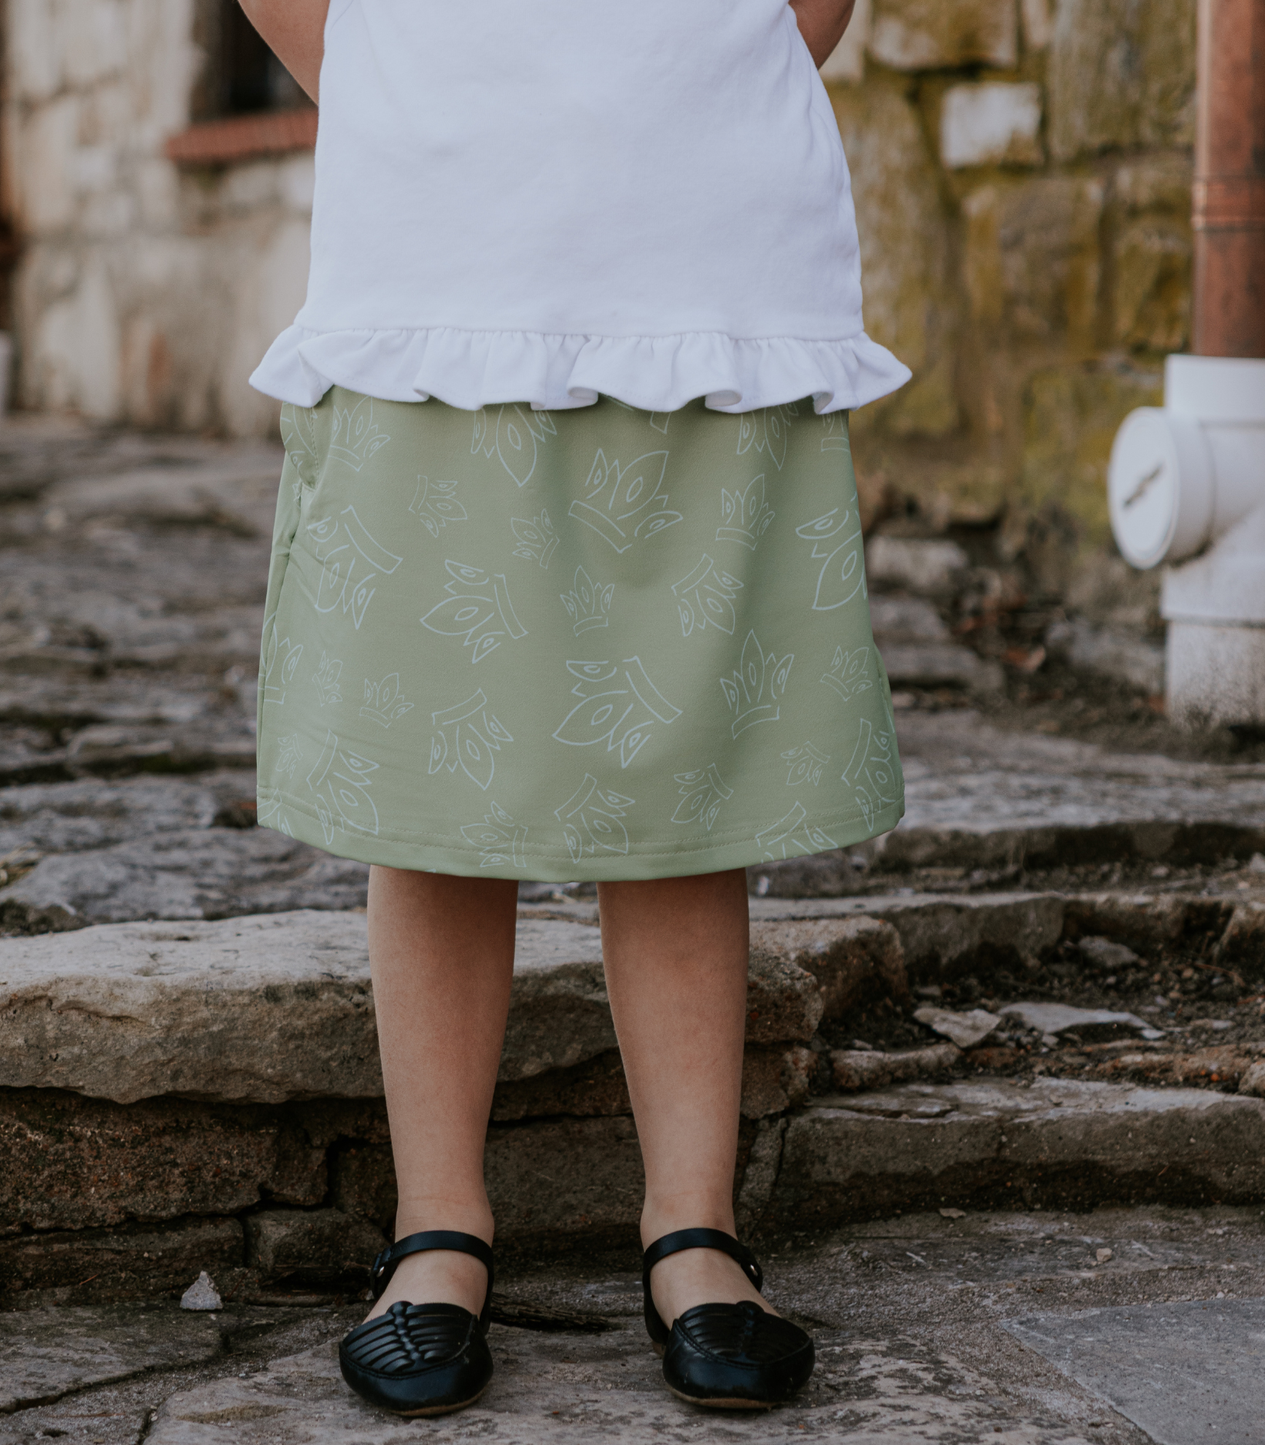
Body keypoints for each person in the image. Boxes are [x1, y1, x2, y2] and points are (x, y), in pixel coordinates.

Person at [239, 0, 906, 1417]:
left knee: (679, 773)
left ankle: (695, 1230)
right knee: (436, 771)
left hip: (705, 238)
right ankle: (437, 1234)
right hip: (440, 241)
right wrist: (394, 71)